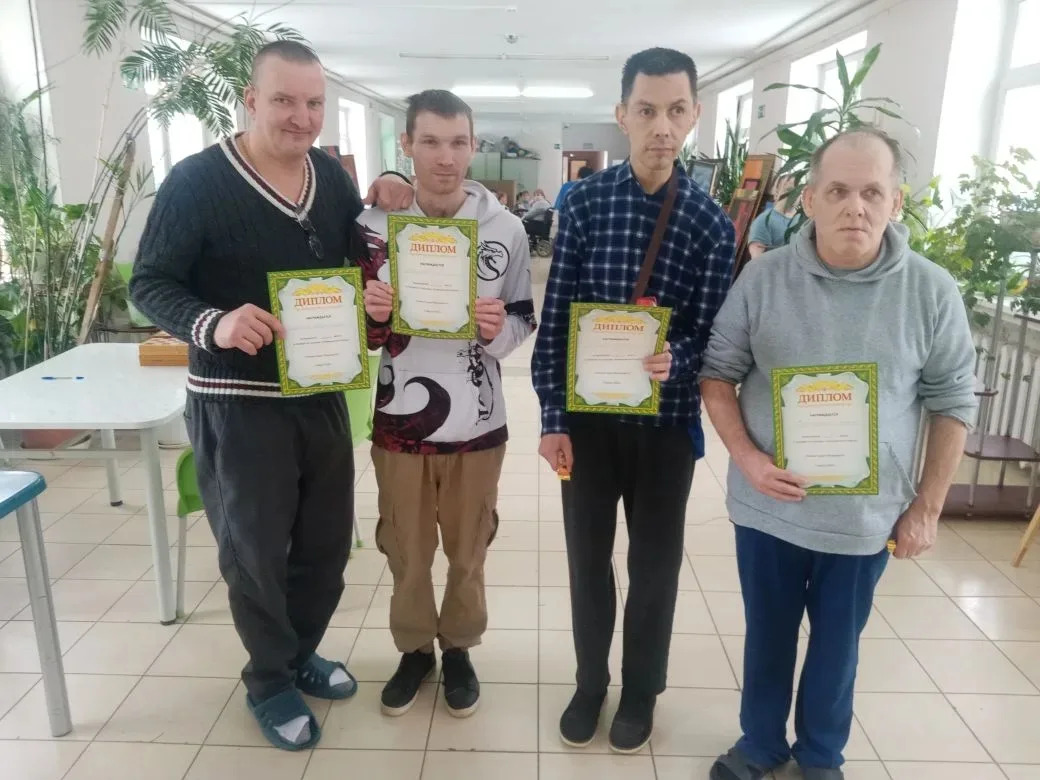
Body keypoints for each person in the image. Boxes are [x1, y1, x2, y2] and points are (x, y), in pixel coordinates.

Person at [129, 41, 414, 751]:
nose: (301, 116)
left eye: (314, 103)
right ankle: (268, 679)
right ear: (251, 100)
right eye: (284, 100)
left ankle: (299, 652)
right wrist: (214, 322)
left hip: (319, 392)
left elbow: (357, 250)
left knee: (325, 545)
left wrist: (386, 188)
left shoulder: (328, 176)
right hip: (237, 401)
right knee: (255, 553)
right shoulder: (198, 182)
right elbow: (150, 283)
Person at [700, 128, 977, 780]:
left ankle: (821, 754)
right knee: (767, 633)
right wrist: (748, 459)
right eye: (839, 191)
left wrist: (927, 507)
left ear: (896, 202)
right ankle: (760, 744)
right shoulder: (762, 280)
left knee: (837, 643)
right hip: (770, 506)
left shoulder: (931, 291)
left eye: (873, 192)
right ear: (810, 200)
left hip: (863, 518)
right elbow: (717, 375)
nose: (856, 207)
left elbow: (952, 401)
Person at [531, 47, 735, 754]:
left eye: (676, 110)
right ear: (623, 115)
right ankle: (590, 681)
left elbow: (712, 334)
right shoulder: (584, 204)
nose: (661, 126)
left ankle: (641, 689)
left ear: (694, 115)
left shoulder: (710, 223)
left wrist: (677, 357)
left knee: (654, 568)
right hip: (587, 425)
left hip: (666, 427)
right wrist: (552, 420)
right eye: (646, 110)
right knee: (587, 561)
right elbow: (557, 319)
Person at [358, 89, 537, 719]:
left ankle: (459, 647)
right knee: (405, 547)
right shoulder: (372, 228)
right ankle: (414, 650)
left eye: (458, 142)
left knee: (469, 549)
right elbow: (356, 334)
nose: (445, 157)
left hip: (478, 421)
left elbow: (523, 317)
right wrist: (371, 315)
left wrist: (496, 332)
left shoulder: (506, 229)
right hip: (399, 421)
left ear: (472, 145)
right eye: (430, 142)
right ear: (406, 144)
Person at [747, 174, 798, 258]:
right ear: (776, 193)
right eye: (789, 190)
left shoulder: (802, 220)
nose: (794, 195)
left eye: (798, 190)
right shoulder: (763, 221)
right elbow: (757, 261)